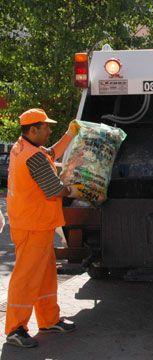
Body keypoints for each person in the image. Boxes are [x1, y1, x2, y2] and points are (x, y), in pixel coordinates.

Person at [5, 108, 83, 348]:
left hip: (34, 224)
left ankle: (49, 320)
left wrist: (70, 135)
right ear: (33, 130)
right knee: (26, 278)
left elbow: (52, 153)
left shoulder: (25, 148)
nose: (49, 130)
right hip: (32, 225)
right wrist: (75, 189)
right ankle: (16, 328)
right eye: (46, 127)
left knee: (46, 275)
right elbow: (54, 190)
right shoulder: (33, 157)